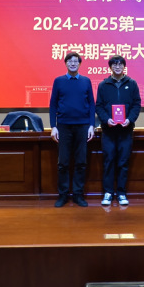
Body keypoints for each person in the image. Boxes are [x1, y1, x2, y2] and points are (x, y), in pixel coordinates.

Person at [49, 52, 96, 208]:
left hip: (83, 126)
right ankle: (63, 195)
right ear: (66, 63)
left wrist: (91, 125)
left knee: (81, 162)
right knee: (63, 162)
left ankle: (78, 195)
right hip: (63, 126)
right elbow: (53, 104)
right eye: (70, 61)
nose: (73, 63)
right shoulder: (59, 81)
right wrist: (53, 126)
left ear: (80, 64)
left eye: (76, 61)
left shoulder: (86, 81)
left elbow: (92, 104)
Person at [95, 55, 141, 207]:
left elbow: (136, 104)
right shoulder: (103, 85)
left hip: (125, 130)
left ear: (124, 67)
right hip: (108, 130)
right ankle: (108, 193)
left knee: (123, 162)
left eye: (120, 64)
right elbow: (99, 106)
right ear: (110, 67)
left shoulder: (132, 83)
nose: (117, 67)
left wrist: (130, 119)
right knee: (108, 161)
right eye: (114, 64)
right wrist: (106, 119)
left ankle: (121, 193)